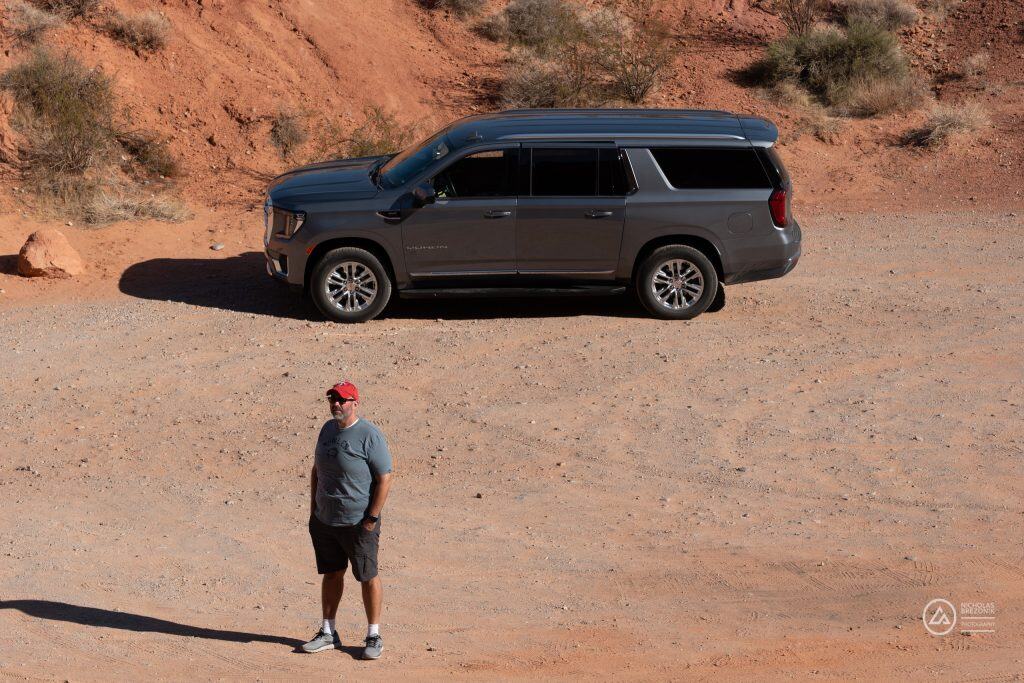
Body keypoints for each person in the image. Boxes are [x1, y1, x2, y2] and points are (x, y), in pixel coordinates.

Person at [301, 381, 394, 660]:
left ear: (355, 402)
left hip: (358, 522)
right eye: (332, 399)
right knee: (331, 573)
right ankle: (328, 632)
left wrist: (371, 518)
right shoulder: (327, 429)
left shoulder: (368, 435)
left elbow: (385, 478)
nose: (336, 404)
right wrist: (313, 509)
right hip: (325, 520)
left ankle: (374, 635)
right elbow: (317, 470)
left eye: (342, 400)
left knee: (367, 576)